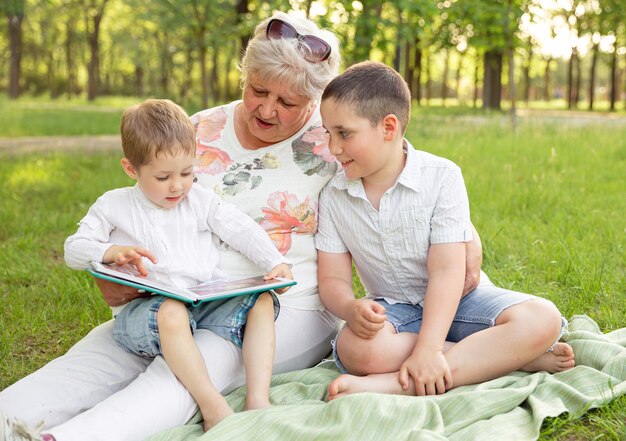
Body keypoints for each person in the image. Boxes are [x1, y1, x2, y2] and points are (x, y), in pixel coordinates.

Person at [0, 13, 479, 441]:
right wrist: (119, 274)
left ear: (315, 99)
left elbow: (411, 180)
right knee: (93, 359)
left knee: (185, 375)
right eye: (258, 90)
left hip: (279, 307)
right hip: (178, 294)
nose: (267, 109)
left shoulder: (335, 142)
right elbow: (141, 206)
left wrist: (468, 239)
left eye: (288, 101)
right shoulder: (197, 130)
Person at [315, 61, 576, 400]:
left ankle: (397, 384)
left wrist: (429, 349)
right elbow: (333, 280)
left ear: (389, 128)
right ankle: (503, 358)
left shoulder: (441, 176)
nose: (333, 148)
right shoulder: (335, 194)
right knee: (355, 349)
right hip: (395, 310)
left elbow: (448, 270)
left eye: (344, 134)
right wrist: (351, 309)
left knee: (542, 318)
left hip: (462, 298)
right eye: (328, 134)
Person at [63, 98, 294, 431]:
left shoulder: (198, 199)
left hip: (202, 301)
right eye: (163, 177)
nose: (178, 185)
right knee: (171, 311)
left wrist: (276, 262)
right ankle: (212, 405)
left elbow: (238, 227)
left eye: (187, 172)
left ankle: (257, 398)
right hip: (147, 313)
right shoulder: (113, 205)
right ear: (131, 169)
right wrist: (110, 251)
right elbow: (74, 248)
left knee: (261, 299)